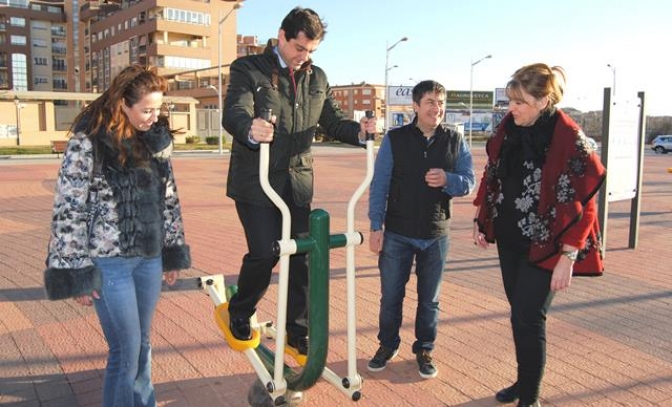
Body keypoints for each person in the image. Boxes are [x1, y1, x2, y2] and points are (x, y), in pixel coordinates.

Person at [222, 7, 377, 353]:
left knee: (302, 255)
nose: (303, 57)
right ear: (282, 37)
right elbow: (235, 111)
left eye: (311, 52)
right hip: (256, 181)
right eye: (299, 48)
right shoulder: (249, 69)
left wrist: (361, 132)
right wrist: (250, 128)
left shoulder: (316, 78)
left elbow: (334, 122)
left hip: (297, 184)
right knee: (265, 253)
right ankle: (241, 310)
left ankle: (298, 329)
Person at [44, 65, 191, 407]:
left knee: (142, 346)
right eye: (146, 109)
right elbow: (69, 207)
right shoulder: (89, 140)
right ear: (124, 103)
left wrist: (171, 252)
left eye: (158, 109)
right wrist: (76, 272)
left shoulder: (156, 141)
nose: (154, 117)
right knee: (125, 351)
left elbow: (168, 198)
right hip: (110, 264)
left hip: (150, 259)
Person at [473, 63, 606, 407]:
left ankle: (529, 398)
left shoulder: (568, 135)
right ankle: (524, 380)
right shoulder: (510, 128)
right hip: (512, 239)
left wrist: (568, 256)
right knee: (519, 314)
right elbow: (494, 176)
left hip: (548, 244)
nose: (511, 108)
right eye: (509, 101)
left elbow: (586, 201)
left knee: (528, 316)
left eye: (519, 102)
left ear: (544, 100)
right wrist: (483, 219)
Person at [367, 80, 475, 379]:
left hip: (436, 233)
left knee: (430, 299)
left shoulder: (454, 140)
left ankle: (424, 349)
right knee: (391, 296)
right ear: (415, 106)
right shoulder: (396, 139)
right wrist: (376, 226)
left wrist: (449, 180)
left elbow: (469, 180)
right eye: (430, 102)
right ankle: (387, 345)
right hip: (397, 233)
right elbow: (380, 185)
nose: (436, 108)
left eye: (440, 102)